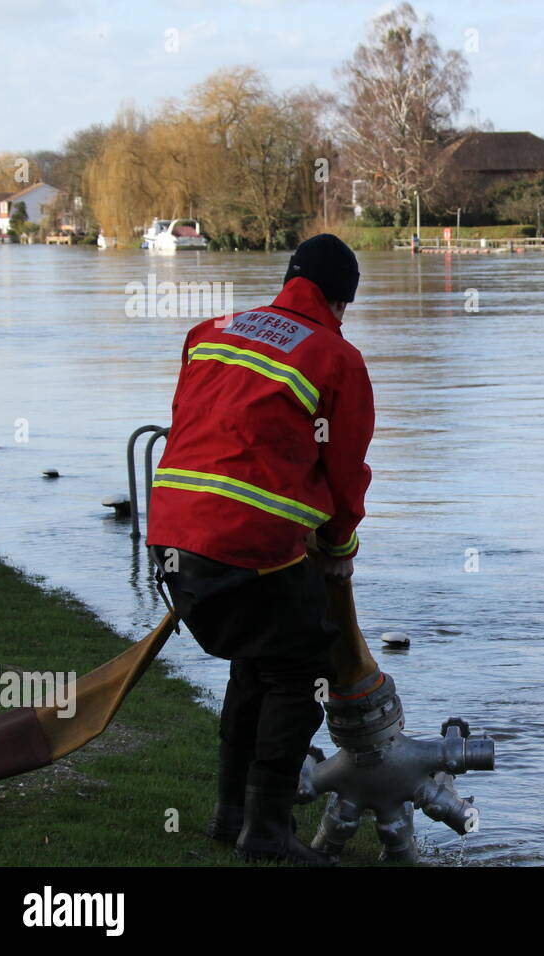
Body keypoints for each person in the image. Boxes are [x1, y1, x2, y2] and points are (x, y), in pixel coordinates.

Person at [147, 234, 374, 865]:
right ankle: (267, 831)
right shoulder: (336, 357)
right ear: (341, 300)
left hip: (172, 537)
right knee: (300, 670)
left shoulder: (209, 331)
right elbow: (345, 474)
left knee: (255, 662)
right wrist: (339, 545)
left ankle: (231, 813)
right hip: (249, 544)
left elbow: (201, 427)